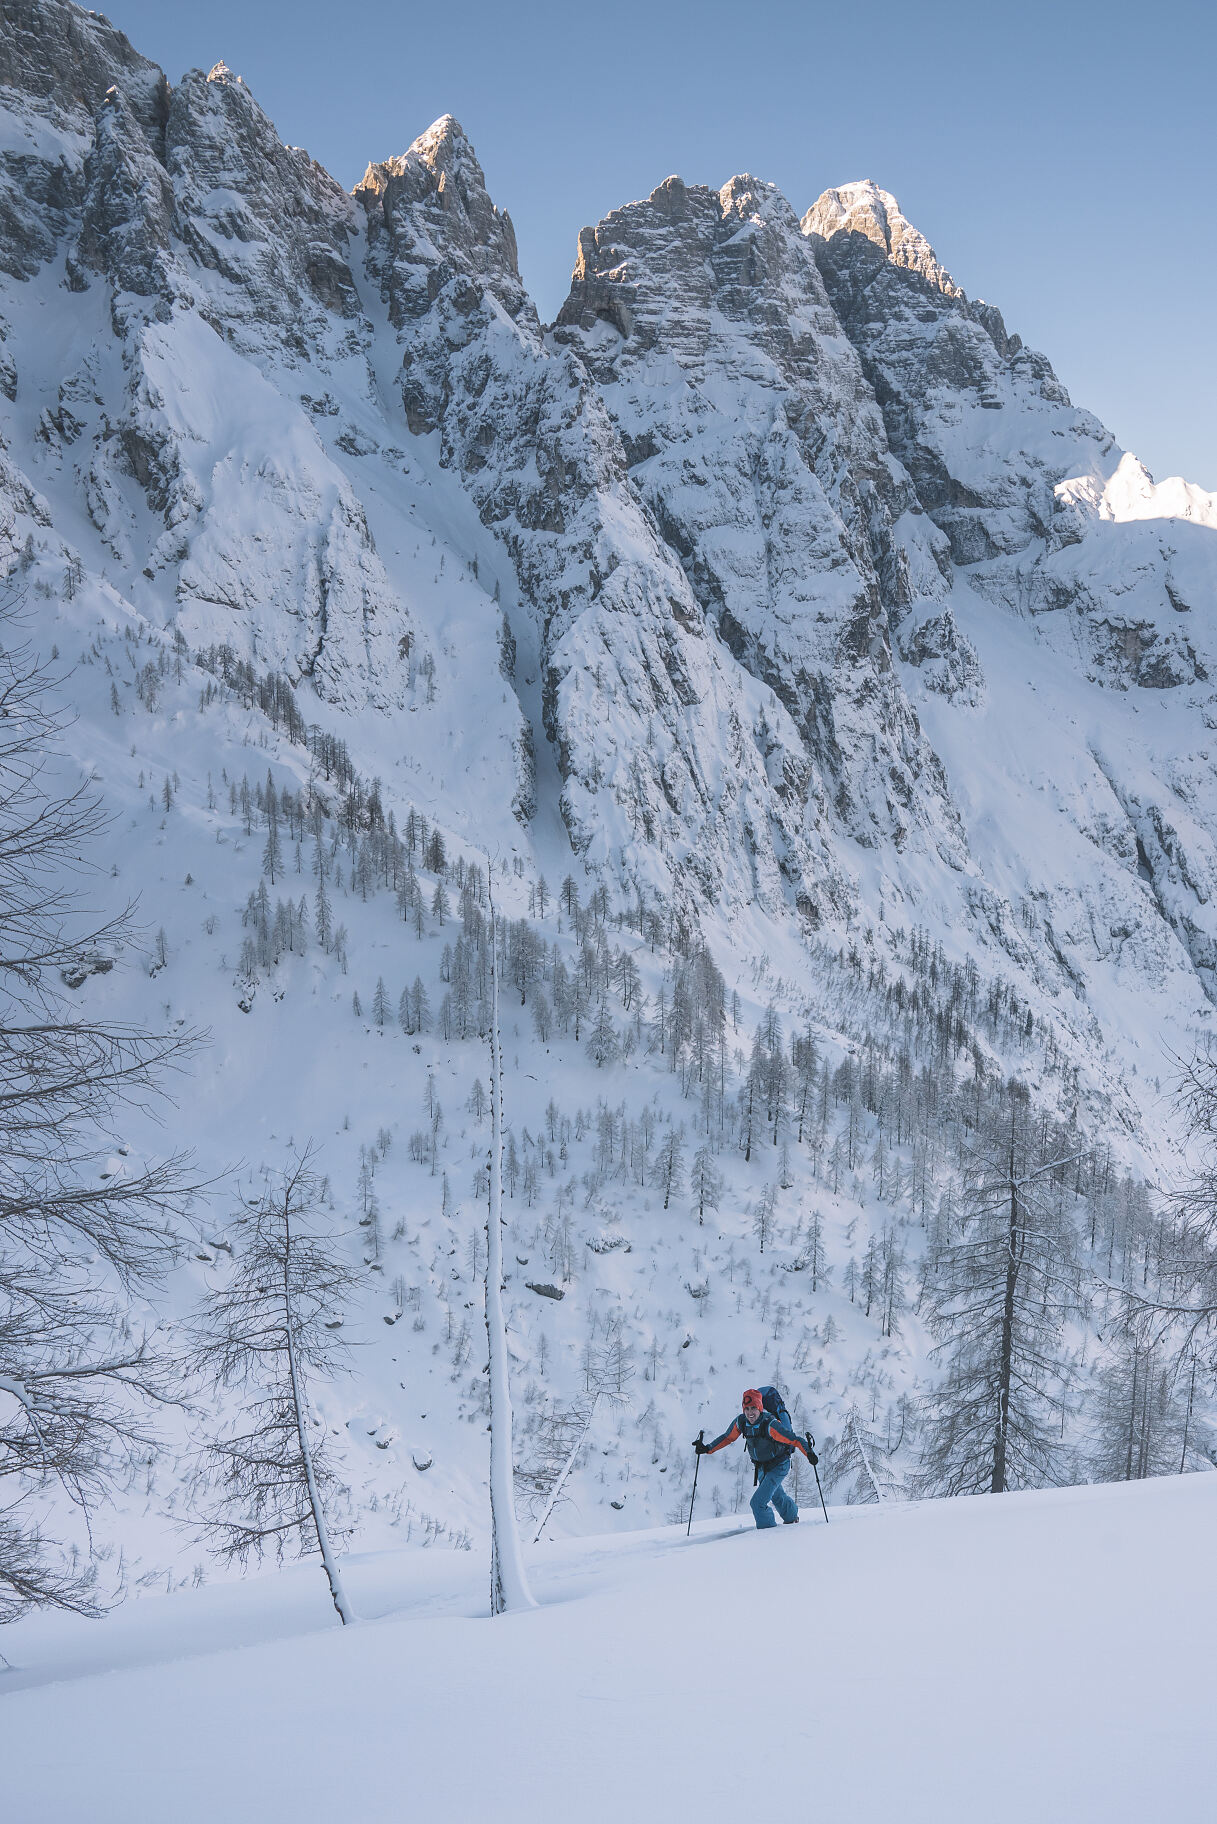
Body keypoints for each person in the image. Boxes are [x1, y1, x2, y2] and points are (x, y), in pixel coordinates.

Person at [694, 1387, 816, 1528]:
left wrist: (809, 1453)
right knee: (776, 1495)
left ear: (760, 1408)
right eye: (747, 1409)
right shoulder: (741, 1422)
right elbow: (728, 1438)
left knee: (757, 1503)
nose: (750, 1413)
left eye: (753, 1408)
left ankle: (768, 1535)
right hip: (762, 1467)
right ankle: (792, 1516)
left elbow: (794, 1439)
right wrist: (707, 1448)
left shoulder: (770, 1425)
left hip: (779, 1465)